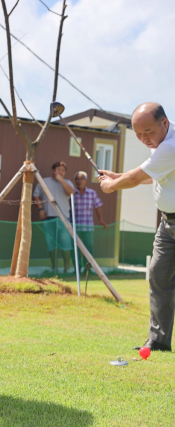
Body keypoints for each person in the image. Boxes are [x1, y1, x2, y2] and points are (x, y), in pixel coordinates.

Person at [99, 102, 175, 352]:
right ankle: (159, 340)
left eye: (148, 132)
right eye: (138, 134)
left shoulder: (171, 146)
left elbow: (137, 177)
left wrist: (112, 185)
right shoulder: (160, 142)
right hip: (167, 223)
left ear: (164, 123)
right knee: (158, 275)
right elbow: (152, 174)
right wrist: (118, 176)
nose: (143, 139)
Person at [32, 161, 76, 273]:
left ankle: (66, 268)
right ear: (53, 170)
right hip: (48, 218)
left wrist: (61, 180)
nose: (60, 172)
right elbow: (36, 196)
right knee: (50, 244)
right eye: (58, 170)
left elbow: (71, 192)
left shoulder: (67, 182)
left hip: (64, 218)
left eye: (63, 170)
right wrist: (41, 209)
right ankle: (54, 267)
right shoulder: (44, 181)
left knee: (66, 244)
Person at [72, 171, 107, 273]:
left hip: (88, 227)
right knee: (76, 250)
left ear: (86, 180)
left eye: (81, 178)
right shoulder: (72, 193)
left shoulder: (92, 193)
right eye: (77, 179)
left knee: (89, 248)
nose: (79, 181)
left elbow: (98, 207)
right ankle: (77, 269)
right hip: (75, 227)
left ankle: (88, 269)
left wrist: (101, 220)